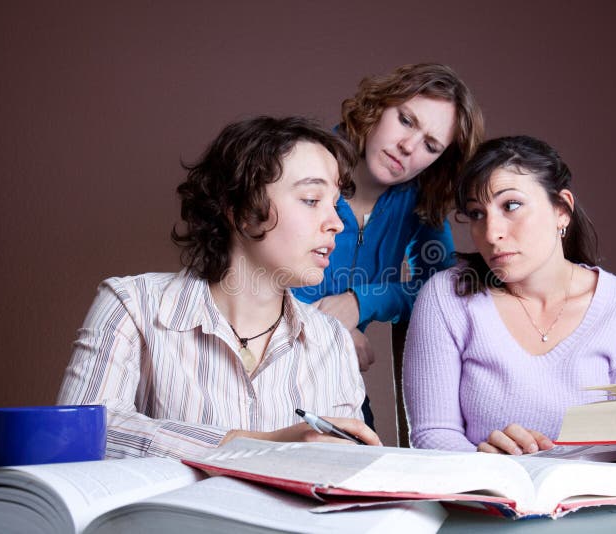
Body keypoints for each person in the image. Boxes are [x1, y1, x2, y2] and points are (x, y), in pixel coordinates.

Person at [58, 117, 381, 459]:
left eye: (335, 204)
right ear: (240, 209)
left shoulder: (332, 340)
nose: (336, 222)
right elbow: (78, 436)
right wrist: (254, 446)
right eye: (312, 199)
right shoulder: (131, 305)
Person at [403, 135, 616, 454]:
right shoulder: (446, 297)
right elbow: (433, 432)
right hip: (482, 497)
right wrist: (489, 464)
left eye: (510, 205)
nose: (491, 233)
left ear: (562, 210)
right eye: (476, 213)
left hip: (597, 500)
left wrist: (545, 465)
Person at [291, 63, 484, 427]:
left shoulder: (418, 200)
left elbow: (441, 292)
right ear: (379, 107)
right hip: (260, 367)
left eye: (430, 145)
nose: (407, 147)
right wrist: (331, 330)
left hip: (336, 385)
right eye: (406, 120)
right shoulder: (304, 163)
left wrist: (363, 301)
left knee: (367, 470)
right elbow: (250, 267)